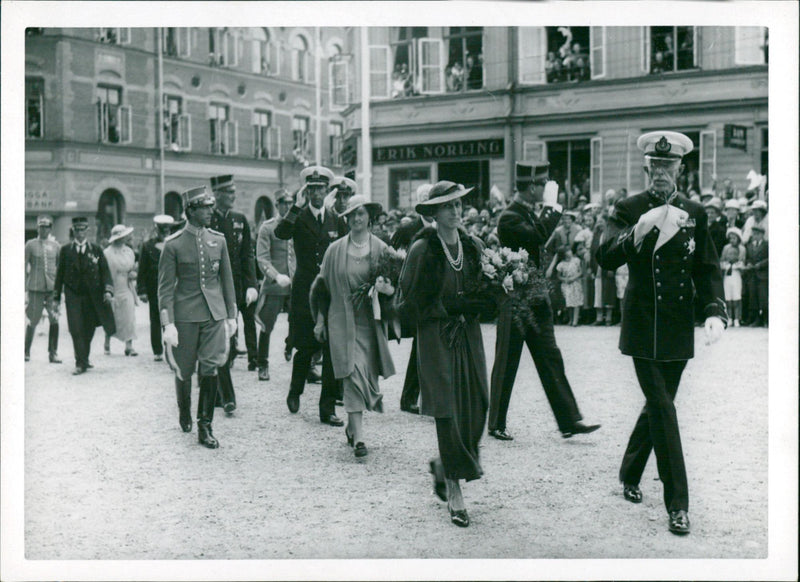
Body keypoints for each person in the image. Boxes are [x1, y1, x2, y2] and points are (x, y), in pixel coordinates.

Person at [595, 131, 727, 535]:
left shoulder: (695, 212)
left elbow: (706, 267)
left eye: (668, 167)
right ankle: (678, 504)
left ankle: (629, 472)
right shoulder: (629, 207)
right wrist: (635, 231)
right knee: (665, 409)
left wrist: (714, 310)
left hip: (676, 324)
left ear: (680, 169)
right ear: (646, 168)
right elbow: (604, 256)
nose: (660, 173)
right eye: (654, 166)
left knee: (660, 403)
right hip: (641, 323)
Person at [396, 181, 494, 527]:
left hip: (468, 333)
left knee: (479, 401)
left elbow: (486, 284)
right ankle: (454, 489)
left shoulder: (472, 245)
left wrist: (490, 297)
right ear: (433, 213)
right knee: (448, 409)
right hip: (437, 336)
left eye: (458, 204)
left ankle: (443, 465)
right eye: (448, 206)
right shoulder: (423, 249)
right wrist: (443, 306)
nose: (456, 211)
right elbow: (405, 301)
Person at [488, 162, 601, 441]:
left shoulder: (525, 212)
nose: (545, 189)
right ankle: (496, 422)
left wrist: (548, 210)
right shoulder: (510, 216)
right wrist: (552, 209)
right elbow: (538, 234)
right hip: (515, 295)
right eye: (542, 185)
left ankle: (570, 420)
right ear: (531, 187)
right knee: (508, 359)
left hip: (535, 295)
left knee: (551, 357)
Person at [310, 195, 396, 458]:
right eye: (351, 215)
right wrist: (321, 321)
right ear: (346, 219)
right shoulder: (334, 250)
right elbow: (321, 289)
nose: (356, 219)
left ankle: (351, 425)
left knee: (365, 375)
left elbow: (395, 289)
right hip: (341, 321)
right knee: (351, 373)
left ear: (369, 216)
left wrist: (386, 289)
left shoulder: (382, 249)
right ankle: (359, 438)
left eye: (361, 214)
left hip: (370, 322)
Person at [158, 186, 238, 448]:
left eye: (211, 206)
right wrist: (167, 322)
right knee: (184, 369)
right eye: (205, 207)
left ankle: (205, 425)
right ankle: (184, 410)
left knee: (211, 366)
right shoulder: (173, 245)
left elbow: (227, 281)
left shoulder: (219, 240)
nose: (210, 211)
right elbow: (165, 287)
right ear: (190, 211)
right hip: (185, 316)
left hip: (213, 315)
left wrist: (231, 314)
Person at [275, 165, 348, 427]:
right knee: (305, 348)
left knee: (331, 350)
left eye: (321, 189)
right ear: (307, 191)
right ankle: (295, 391)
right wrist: (295, 207)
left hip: (329, 293)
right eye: (312, 189)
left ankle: (327, 408)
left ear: (327, 191)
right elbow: (281, 233)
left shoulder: (336, 219)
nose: (317, 194)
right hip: (305, 292)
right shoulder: (299, 217)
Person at [209, 174, 258, 414]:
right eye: (229, 192)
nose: (233, 196)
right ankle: (225, 394)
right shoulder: (208, 220)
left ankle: (218, 390)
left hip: (236, 288)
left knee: (228, 338)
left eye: (234, 191)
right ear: (217, 195)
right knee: (222, 341)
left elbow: (248, 255)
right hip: (214, 290)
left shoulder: (240, 220)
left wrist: (251, 285)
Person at [389, 183, 434, 415]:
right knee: (418, 343)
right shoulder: (409, 229)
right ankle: (409, 398)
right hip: (412, 296)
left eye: (431, 198)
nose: (427, 203)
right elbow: (390, 255)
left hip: (434, 296)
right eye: (423, 199)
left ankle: (418, 398)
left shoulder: (441, 227)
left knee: (425, 345)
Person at [53, 217, 116, 375]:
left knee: (88, 328)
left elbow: (105, 272)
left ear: (87, 231)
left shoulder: (96, 250)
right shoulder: (66, 250)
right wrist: (55, 298)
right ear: (73, 231)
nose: (80, 233)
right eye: (77, 230)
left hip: (91, 296)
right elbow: (59, 275)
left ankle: (84, 358)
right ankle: (79, 362)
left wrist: (108, 290)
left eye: (82, 230)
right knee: (76, 328)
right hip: (73, 294)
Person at [254, 189, 295, 381]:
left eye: (290, 202)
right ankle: (262, 364)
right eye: (283, 203)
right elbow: (262, 259)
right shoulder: (267, 228)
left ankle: (291, 345)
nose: (287, 206)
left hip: (295, 285)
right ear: (277, 205)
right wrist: (275, 276)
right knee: (266, 325)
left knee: (299, 321)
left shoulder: (297, 224)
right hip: (275, 285)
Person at [136, 214, 175, 361]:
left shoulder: (174, 243)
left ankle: (170, 347)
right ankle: (157, 350)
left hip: (173, 288)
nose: (164, 232)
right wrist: (142, 290)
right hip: (154, 288)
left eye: (167, 229)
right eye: (162, 230)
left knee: (171, 318)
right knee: (156, 319)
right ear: (156, 229)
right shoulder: (148, 246)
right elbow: (142, 269)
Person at [25, 215, 62, 363]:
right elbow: (23, 265)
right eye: (41, 227)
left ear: (51, 229)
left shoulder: (56, 246)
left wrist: (59, 288)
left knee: (54, 319)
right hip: (35, 288)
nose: (43, 230)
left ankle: (53, 353)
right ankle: (25, 351)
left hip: (51, 289)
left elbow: (60, 268)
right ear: (37, 228)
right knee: (33, 320)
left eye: (46, 227)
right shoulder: (30, 244)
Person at [103, 224, 139, 356]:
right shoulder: (107, 253)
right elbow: (105, 272)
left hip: (126, 286)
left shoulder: (129, 252)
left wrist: (132, 274)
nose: (125, 238)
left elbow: (132, 268)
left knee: (129, 315)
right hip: (113, 286)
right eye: (122, 236)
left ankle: (129, 346)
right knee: (113, 315)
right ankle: (107, 341)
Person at [719, 227, 746, 327]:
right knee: (728, 298)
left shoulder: (742, 249)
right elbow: (722, 260)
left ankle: (737, 318)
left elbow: (743, 263)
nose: (732, 240)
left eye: (734, 238)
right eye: (730, 238)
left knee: (737, 297)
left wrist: (737, 265)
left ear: (738, 238)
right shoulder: (726, 248)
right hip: (727, 278)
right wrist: (726, 265)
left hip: (737, 277)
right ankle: (729, 317)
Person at [742, 224, 768, 327]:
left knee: (763, 297)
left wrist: (760, 265)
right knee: (753, 297)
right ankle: (756, 319)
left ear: (762, 234)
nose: (755, 236)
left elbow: (771, 258)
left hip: (763, 275)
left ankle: (766, 319)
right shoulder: (749, 246)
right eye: (754, 234)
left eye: (758, 234)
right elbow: (747, 258)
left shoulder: (767, 245)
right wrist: (748, 263)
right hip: (752, 275)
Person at [556, 244, 584, 327]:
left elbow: (581, 271)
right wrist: (564, 279)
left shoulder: (576, 261)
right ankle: (571, 319)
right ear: (563, 254)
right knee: (569, 303)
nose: (570, 252)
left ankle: (575, 321)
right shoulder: (561, 264)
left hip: (575, 283)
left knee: (576, 301)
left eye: (570, 250)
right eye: (567, 251)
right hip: (567, 284)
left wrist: (574, 278)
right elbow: (559, 275)